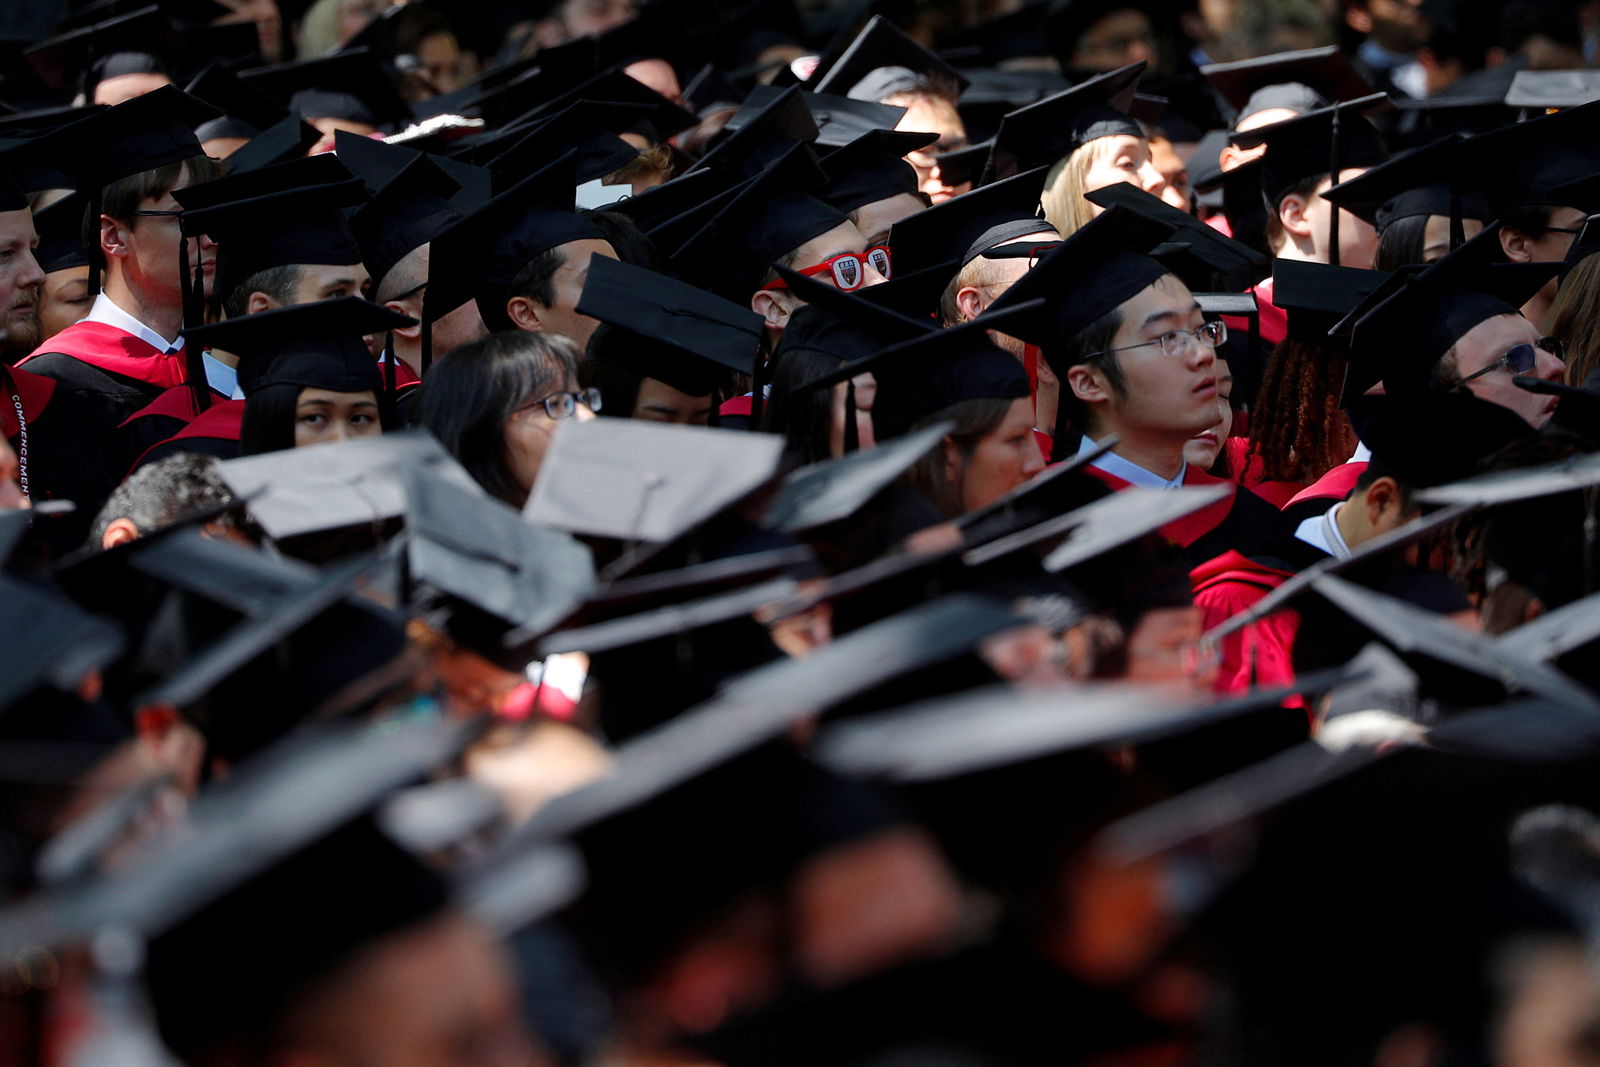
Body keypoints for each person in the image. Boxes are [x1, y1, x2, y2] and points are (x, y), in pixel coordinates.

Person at [18, 88, 225, 429]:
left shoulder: (224, 371)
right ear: (113, 237)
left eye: (214, 213)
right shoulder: (52, 385)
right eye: (184, 219)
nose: (211, 237)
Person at [180, 297, 413, 456]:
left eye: (360, 418)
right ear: (272, 425)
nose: (342, 441)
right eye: (315, 418)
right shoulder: (225, 522)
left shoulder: (415, 520)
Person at [418, 331, 596, 508]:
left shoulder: (606, 525)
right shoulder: (446, 535)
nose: (587, 418)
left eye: (581, 399)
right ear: (480, 434)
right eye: (555, 403)